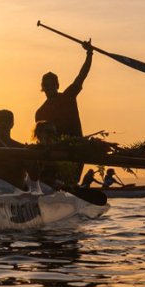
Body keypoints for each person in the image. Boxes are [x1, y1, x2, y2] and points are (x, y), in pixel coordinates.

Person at [35, 38, 94, 183]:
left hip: (76, 151)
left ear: (57, 85)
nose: (49, 87)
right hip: (54, 155)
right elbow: (41, 138)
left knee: (70, 182)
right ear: (42, 87)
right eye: (46, 85)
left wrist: (89, 54)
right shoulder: (40, 112)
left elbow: (81, 76)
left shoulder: (68, 96)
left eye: (52, 84)